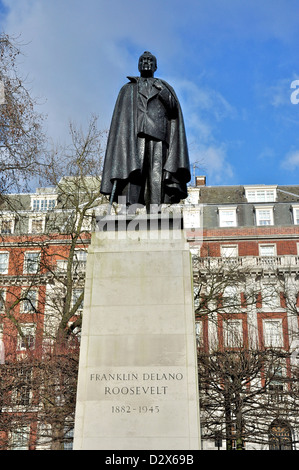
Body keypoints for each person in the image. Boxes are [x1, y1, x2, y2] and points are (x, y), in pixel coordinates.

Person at [100, 51, 190, 212]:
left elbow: (173, 108)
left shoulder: (163, 86)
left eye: (150, 60)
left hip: (158, 136)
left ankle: (155, 209)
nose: (146, 62)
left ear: (156, 66)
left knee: (156, 174)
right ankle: (129, 207)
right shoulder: (128, 89)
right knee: (133, 171)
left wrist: (162, 91)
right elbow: (121, 120)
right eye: (143, 60)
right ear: (138, 65)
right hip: (134, 136)